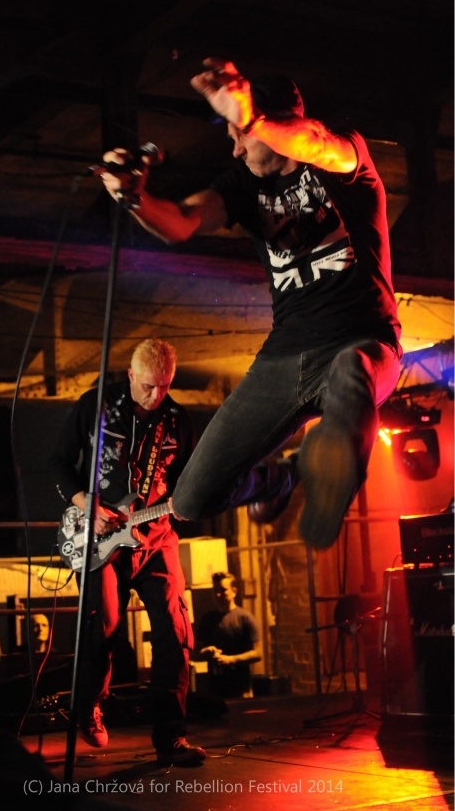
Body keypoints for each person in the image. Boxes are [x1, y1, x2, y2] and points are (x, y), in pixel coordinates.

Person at [99, 57, 402, 551]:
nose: (236, 147)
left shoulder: (344, 156)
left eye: (241, 134)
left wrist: (253, 118)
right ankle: (285, 478)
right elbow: (182, 221)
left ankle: (334, 474)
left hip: (363, 342)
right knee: (190, 499)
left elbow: (314, 143)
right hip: (283, 358)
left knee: (352, 372)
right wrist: (133, 199)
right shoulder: (242, 184)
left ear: (277, 122)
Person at [48, 338, 206, 767]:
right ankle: (88, 704)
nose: (156, 396)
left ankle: (172, 736)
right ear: (132, 375)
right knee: (103, 625)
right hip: (103, 538)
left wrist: (189, 502)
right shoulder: (95, 406)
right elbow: (58, 463)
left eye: (165, 387)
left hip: (156, 537)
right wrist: (86, 504)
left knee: (175, 633)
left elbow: (187, 483)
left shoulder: (179, 421)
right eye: (148, 386)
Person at [194, 572, 260, 699]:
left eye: (223, 590)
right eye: (215, 590)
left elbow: (258, 653)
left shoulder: (244, 618)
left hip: (240, 689)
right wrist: (206, 652)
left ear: (234, 591)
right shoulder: (207, 620)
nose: (218, 595)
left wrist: (230, 659)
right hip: (214, 691)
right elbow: (194, 653)